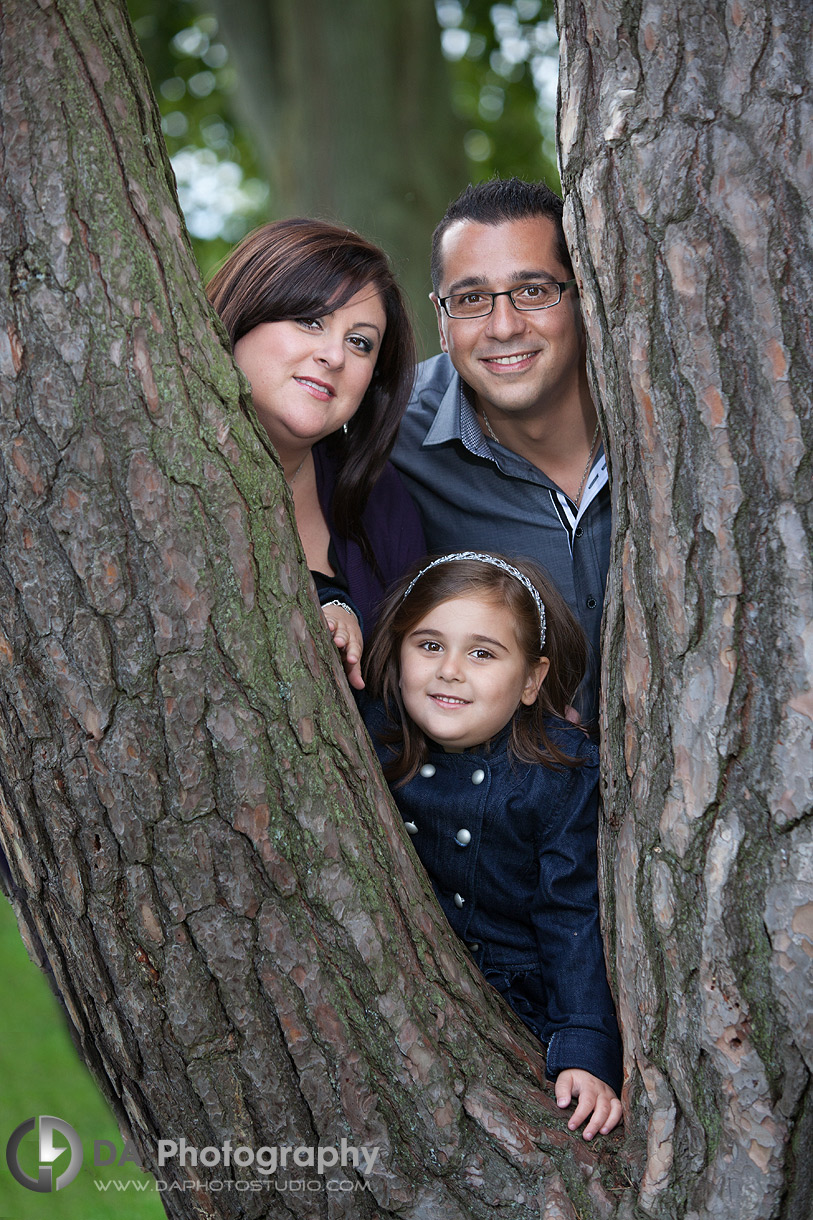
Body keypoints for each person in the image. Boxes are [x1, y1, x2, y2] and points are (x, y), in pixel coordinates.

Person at [361, 552, 623, 1139]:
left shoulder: (558, 773)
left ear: (531, 680)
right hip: (400, 981)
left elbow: (571, 912)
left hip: (516, 997)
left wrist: (584, 1046)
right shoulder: (367, 737)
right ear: (398, 652)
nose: (450, 670)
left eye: (482, 653)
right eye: (429, 645)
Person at [392, 179, 610, 722]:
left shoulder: (676, 420)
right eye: (470, 300)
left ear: (584, 296)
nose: (504, 326)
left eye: (534, 291)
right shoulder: (390, 436)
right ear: (442, 322)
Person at [208, 219, 425, 688]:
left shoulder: (378, 499)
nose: (335, 356)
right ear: (244, 313)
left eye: (360, 342)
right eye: (310, 320)